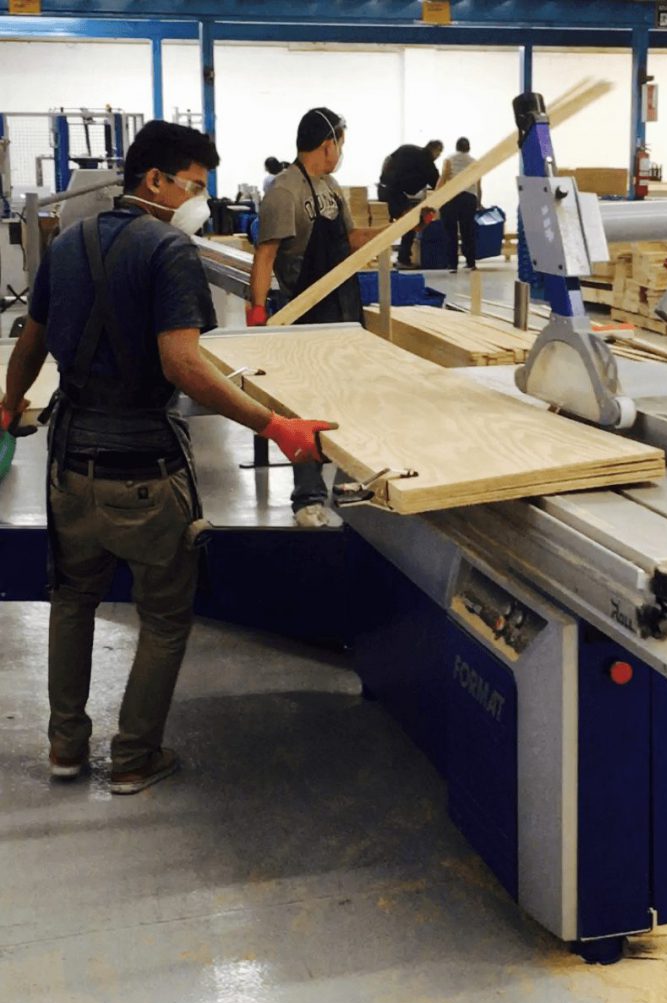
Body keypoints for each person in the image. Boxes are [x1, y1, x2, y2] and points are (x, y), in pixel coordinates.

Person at [1, 120, 336, 794]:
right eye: (193, 185)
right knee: (162, 617)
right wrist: (277, 426)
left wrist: (9, 406)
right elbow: (181, 364)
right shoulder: (168, 252)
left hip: (69, 469)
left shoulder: (66, 244)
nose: (198, 200)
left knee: (71, 604)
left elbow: (30, 343)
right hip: (144, 476)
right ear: (153, 180)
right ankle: (132, 758)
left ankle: (66, 749)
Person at [247, 106, 379, 529]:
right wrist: (257, 311)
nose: (341, 151)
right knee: (304, 405)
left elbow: (349, 240)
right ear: (329, 143)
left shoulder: (332, 186)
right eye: (341, 142)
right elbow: (265, 256)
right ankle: (307, 496)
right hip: (302, 311)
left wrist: (406, 228)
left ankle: (345, 486)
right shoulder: (284, 192)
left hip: (341, 307)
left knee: (348, 399)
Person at [378, 139, 443, 269]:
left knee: (392, 222)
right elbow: (438, 184)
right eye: (439, 153)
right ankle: (403, 259)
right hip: (395, 193)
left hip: (383, 188)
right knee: (411, 223)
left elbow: (387, 160)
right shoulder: (428, 163)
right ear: (436, 151)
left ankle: (391, 257)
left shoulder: (407, 148)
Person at [438, 136, 480, 272]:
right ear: (468, 148)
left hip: (451, 198)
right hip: (469, 198)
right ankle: (471, 262)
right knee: (468, 232)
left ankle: (452, 265)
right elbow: (478, 185)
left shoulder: (449, 160)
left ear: (456, 147)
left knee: (451, 232)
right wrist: (479, 202)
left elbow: (443, 178)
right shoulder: (475, 162)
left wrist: (435, 197)